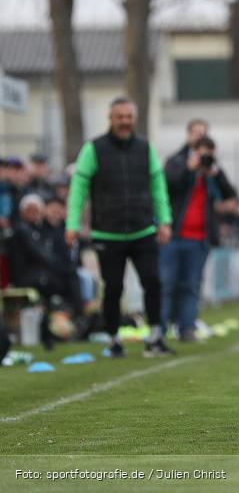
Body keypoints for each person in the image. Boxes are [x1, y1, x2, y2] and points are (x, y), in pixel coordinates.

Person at [66, 97, 174, 358]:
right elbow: (78, 189)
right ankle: (114, 339)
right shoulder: (93, 149)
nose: (124, 121)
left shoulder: (145, 148)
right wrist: (72, 224)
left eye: (129, 116)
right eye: (119, 117)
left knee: (153, 282)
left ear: (134, 119)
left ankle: (156, 336)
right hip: (107, 232)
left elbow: (158, 186)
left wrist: (165, 220)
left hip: (143, 230)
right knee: (113, 287)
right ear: (110, 119)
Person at [162, 134, 236, 341]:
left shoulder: (211, 173)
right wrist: (190, 168)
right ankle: (159, 328)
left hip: (199, 239)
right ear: (193, 151)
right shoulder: (176, 163)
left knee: (192, 285)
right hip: (173, 236)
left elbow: (230, 194)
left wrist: (215, 173)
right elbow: (169, 184)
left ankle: (187, 329)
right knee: (166, 283)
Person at [8, 195, 80, 349]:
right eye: (31, 211)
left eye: (37, 211)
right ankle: (73, 318)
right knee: (66, 279)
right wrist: (61, 267)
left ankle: (70, 319)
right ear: (23, 212)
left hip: (40, 273)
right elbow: (41, 255)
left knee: (71, 276)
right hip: (26, 277)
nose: (35, 214)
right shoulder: (22, 230)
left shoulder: (40, 230)